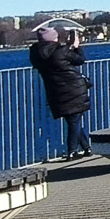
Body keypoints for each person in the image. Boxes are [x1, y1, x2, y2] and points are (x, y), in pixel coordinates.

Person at [28, 25, 93, 158]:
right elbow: (80, 59)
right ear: (54, 38)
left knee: (73, 120)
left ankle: (86, 148)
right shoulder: (61, 51)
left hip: (55, 92)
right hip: (74, 89)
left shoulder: (36, 54)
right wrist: (76, 47)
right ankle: (72, 151)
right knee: (74, 121)